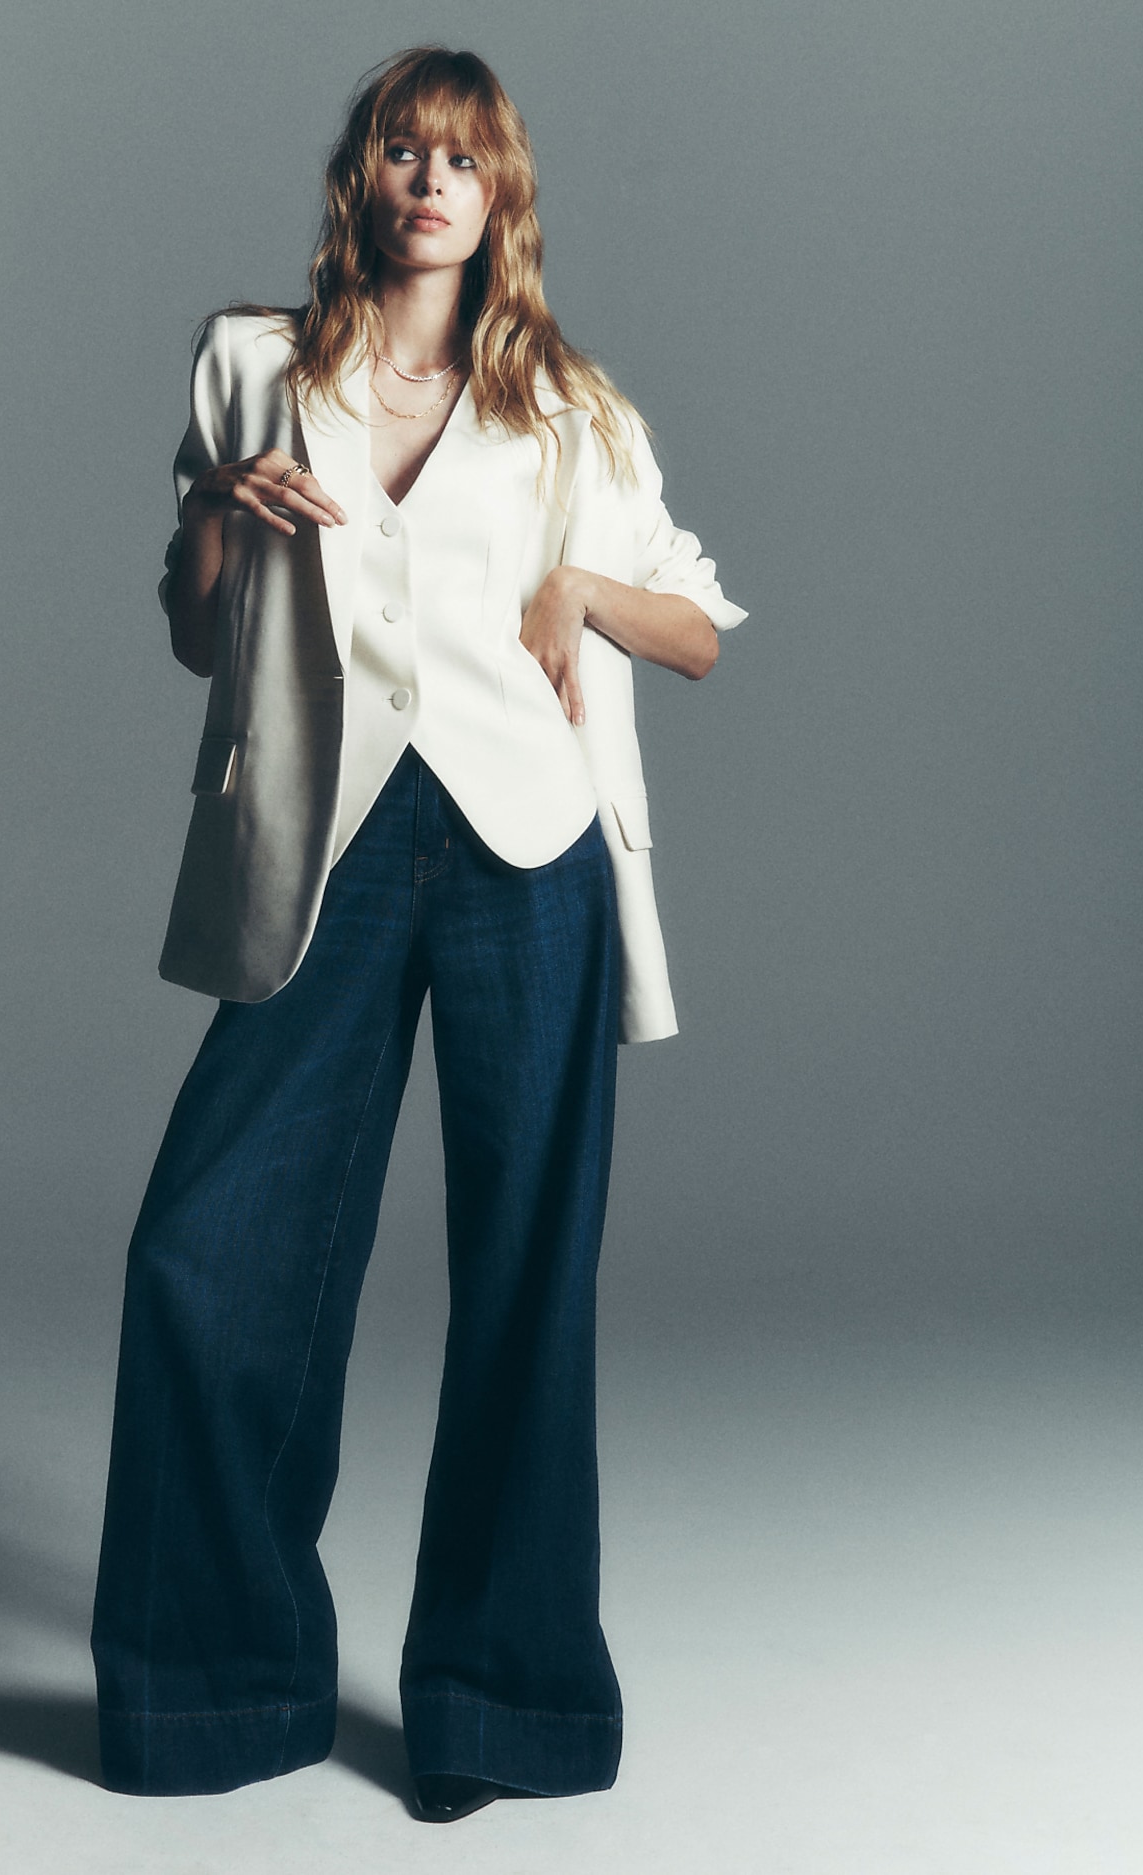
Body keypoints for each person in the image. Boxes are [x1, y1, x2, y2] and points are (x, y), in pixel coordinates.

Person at [90, 45, 746, 1824]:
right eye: (402, 147)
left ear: (499, 197)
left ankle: (498, 1703)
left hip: (526, 848)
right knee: (209, 1250)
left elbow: (691, 625)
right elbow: (188, 630)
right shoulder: (254, 367)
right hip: (331, 847)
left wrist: (575, 591)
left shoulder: (565, 409)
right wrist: (230, 511)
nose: (429, 179)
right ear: (361, 180)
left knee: (529, 1272)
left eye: (462, 157)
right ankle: (211, 1687)